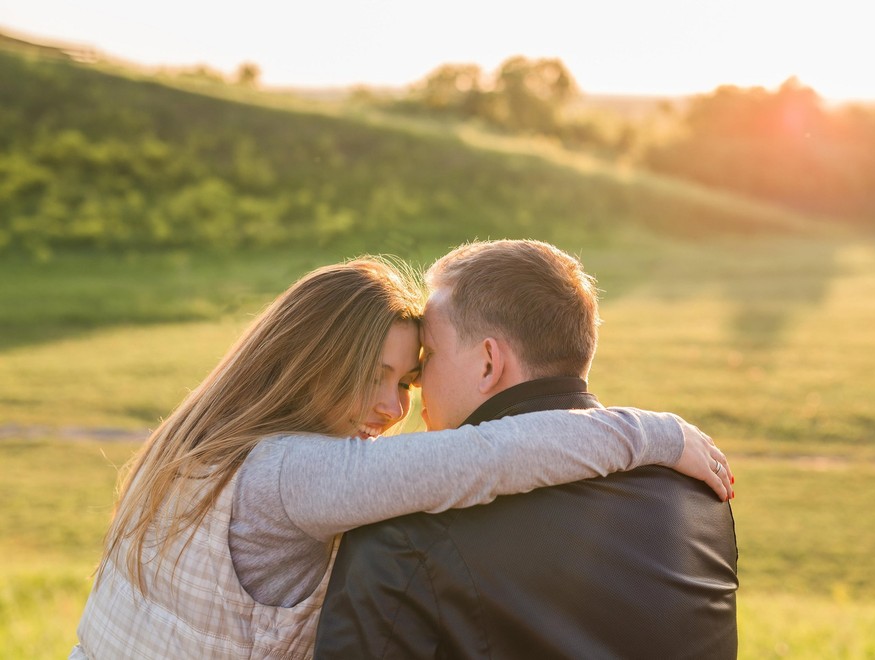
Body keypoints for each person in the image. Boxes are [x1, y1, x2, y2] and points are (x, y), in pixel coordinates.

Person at [69, 256, 730, 660]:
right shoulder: (289, 475)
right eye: (374, 376)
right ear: (311, 363)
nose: (393, 409)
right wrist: (659, 436)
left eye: (408, 382)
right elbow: (486, 457)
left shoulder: (199, 441)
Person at [314, 241, 739, 659]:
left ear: (488, 363)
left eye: (429, 356)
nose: (420, 382)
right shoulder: (698, 494)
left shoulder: (401, 531)